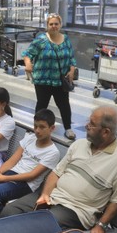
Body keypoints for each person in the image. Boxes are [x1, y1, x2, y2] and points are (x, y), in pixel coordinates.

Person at [1, 106, 117, 233]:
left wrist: (100, 225)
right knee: (9, 212)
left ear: (106, 132)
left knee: (37, 226)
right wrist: (45, 194)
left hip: (75, 209)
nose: (86, 126)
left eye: (92, 124)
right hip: (52, 196)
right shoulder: (79, 144)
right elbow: (56, 173)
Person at [0, 108, 60, 222]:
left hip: (26, 184)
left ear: (52, 128)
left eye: (42, 127)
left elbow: (32, 175)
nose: (37, 130)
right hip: (10, 173)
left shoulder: (53, 152)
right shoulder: (30, 138)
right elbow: (12, 160)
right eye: (35, 126)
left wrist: (3, 178)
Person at [23, 13, 77, 141]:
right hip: (43, 80)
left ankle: (68, 128)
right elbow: (27, 54)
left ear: (60, 25)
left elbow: (71, 57)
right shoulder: (41, 39)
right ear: (47, 26)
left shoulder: (66, 39)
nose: (53, 26)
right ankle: (37, 127)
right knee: (42, 105)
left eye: (56, 24)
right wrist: (28, 63)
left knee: (64, 105)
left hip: (60, 81)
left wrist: (72, 70)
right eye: (51, 24)